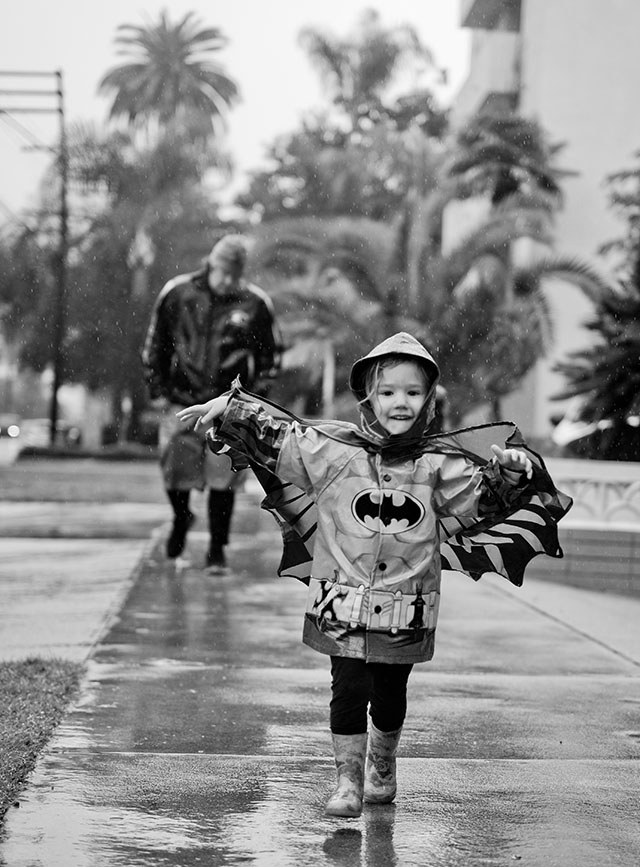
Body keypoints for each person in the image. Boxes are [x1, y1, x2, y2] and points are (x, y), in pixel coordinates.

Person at [176, 332, 572, 817]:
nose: (398, 402)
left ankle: (382, 764)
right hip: (340, 604)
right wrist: (229, 409)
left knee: (389, 695)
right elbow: (280, 437)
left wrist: (510, 471)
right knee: (346, 690)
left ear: (428, 401)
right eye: (387, 392)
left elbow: (481, 502)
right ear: (369, 398)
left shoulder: (438, 467)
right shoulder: (334, 452)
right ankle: (347, 782)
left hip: (406, 608)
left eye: (411, 392)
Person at [142, 233, 281, 571]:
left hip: (228, 404)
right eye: (224, 271)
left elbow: (270, 357)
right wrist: (157, 390)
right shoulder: (178, 293)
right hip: (181, 400)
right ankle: (181, 517)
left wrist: (252, 398)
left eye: (235, 273)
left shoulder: (254, 303)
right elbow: (156, 344)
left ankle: (217, 550)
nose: (229, 280)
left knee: (224, 477)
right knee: (175, 472)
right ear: (212, 263)